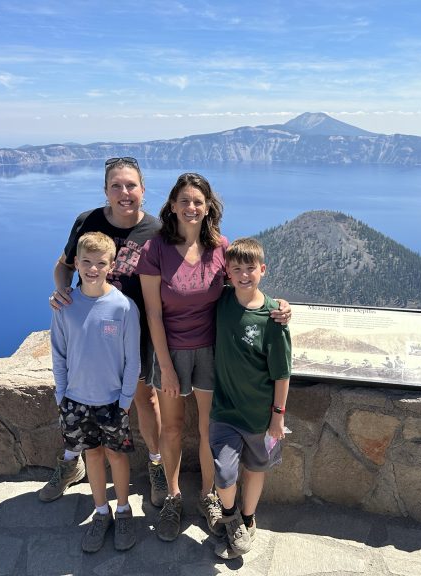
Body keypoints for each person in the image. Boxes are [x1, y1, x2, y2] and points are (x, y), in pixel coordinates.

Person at [137, 173, 291, 543]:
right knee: (172, 428)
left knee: (209, 430)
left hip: (211, 352)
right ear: (172, 205)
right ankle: (174, 497)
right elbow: (153, 314)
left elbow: (245, 283)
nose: (191, 208)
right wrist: (167, 368)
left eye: (198, 201)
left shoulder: (219, 247)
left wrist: (279, 307)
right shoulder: (155, 249)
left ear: (208, 207)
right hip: (170, 350)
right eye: (184, 201)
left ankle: (208, 496)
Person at [40, 157, 166, 508]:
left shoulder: (156, 232)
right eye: (116, 186)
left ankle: (156, 465)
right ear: (105, 190)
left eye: (131, 186)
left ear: (143, 189)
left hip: (133, 330)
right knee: (80, 395)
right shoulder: (88, 221)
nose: (124, 193)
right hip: (89, 328)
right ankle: (71, 462)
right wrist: (62, 290)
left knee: (145, 397)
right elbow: (64, 265)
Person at [50, 232, 140, 553]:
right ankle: (101, 513)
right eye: (86, 262)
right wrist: (62, 395)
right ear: (76, 263)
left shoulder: (124, 308)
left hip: (113, 401)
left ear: (111, 265)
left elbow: (132, 361)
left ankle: (124, 510)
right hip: (76, 401)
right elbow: (58, 353)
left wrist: (126, 401)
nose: (92, 268)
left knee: (116, 455)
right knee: (93, 455)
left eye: (100, 263)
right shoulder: (65, 306)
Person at [209, 237, 291, 559]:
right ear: (227, 273)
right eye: (236, 269)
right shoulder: (224, 300)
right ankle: (230, 519)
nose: (244, 275)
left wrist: (278, 417)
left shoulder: (273, 319)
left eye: (250, 268)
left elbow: (282, 374)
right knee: (225, 474)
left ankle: (247, 518)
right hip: (225, 412)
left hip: (260, 416)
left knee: (257, 469)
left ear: (263, 269)